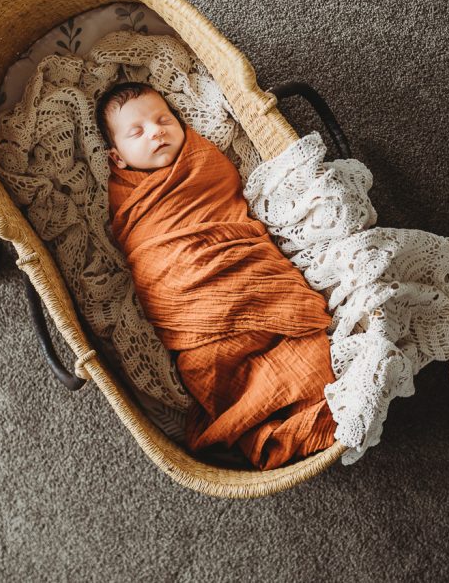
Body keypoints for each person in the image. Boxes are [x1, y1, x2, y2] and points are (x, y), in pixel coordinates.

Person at [96, 81, 338, 470]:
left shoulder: (202, 160)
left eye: (163, 119)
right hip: (188, 302)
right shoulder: (126, 198)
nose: (156, 131)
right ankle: (264, 417)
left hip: (247, 275)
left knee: (314, 359)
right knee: (207, 366)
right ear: (117, 158)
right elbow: (141, 249)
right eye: (136, 132)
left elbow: (226, 196)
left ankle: (309, 401)